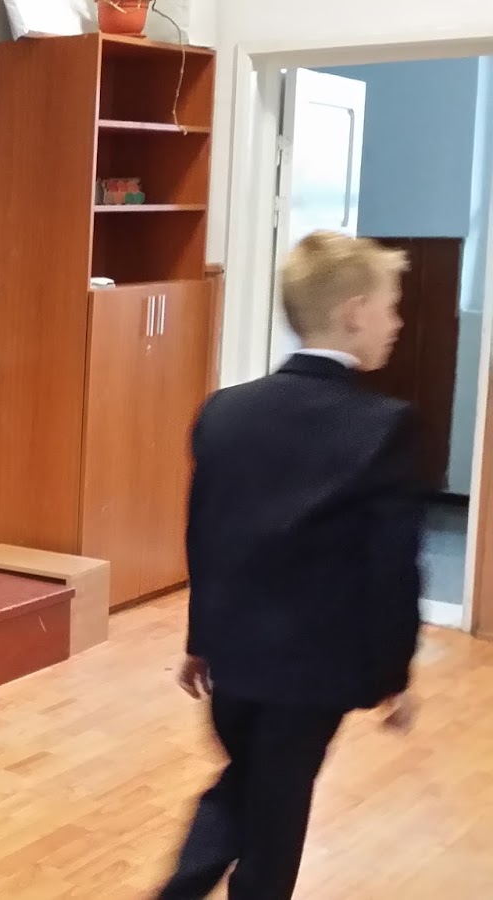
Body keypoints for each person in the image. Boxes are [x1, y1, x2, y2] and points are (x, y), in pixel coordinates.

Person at [157, 230, 423, 900]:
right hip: (313, 673)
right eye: (391, 307)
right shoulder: (383, 424)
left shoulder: (226, 411)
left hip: (234, 663)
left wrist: (200, 640)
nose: (396, 323)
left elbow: (205, 537)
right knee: (274, 826)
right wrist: (394, 673)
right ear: (355, 312)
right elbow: (392, 566)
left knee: (245, 787)